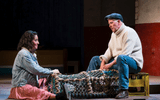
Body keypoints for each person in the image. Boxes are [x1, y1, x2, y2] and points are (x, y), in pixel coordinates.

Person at [86, 13, 143, 99]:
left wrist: (108, 65)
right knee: (95, 59)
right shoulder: (114, 34)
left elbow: (125, 54)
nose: (110, 26)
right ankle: (87, 84)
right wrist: (103, 62)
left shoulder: (129, 32)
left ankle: (123, 90)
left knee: (121, 58)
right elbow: (110, 50)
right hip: (118, 63)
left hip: (133, 64)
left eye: (112, 23)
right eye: (109, 24)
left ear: (119, 22)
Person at [8, 30, 65, 100]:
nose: (38, 42)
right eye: (36, 40)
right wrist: (51, 72)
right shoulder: (23, 54)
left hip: (30, 84)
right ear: (29, 42)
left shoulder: (32, 54)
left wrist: (48, 75)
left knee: (45, 80)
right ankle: (56, 97)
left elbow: (38, 72)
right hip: (21, 87)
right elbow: (36, 70)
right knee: (35, 91)